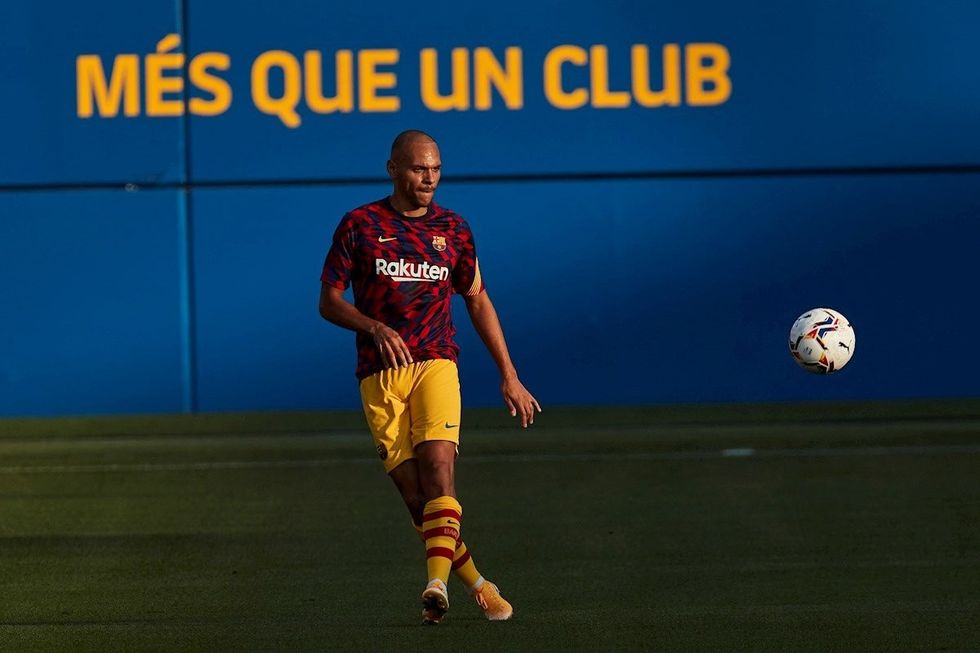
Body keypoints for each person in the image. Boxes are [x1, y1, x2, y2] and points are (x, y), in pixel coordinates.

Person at [318, 130, 541, 625]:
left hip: (437, 362)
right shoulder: (360, 224)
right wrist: (373, 326)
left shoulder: (454, 229)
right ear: (393, 168)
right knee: (418, 500)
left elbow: (477, 298)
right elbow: (329, 302)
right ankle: (480, 585)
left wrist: (510, 374)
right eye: (419, 168)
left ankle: (435, 583)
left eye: (436, 169)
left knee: (441, 470)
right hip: (380, 376)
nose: (429, 178)